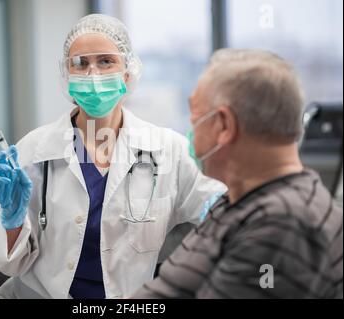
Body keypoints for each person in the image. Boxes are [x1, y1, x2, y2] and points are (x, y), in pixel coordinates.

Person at [0, 14, 225, 299]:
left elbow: (223, 210)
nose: (93, 74)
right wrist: (13, 221)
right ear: (67, 74)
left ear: (128, 71)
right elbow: (4, 263)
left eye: (106, 61)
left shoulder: (168, 149)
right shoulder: (33, 150)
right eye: (81, 63)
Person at [133, 49, 343, 299]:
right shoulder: (238, 201)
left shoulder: (282, 223)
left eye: (195, 118)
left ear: (224, 125)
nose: (191, 133)